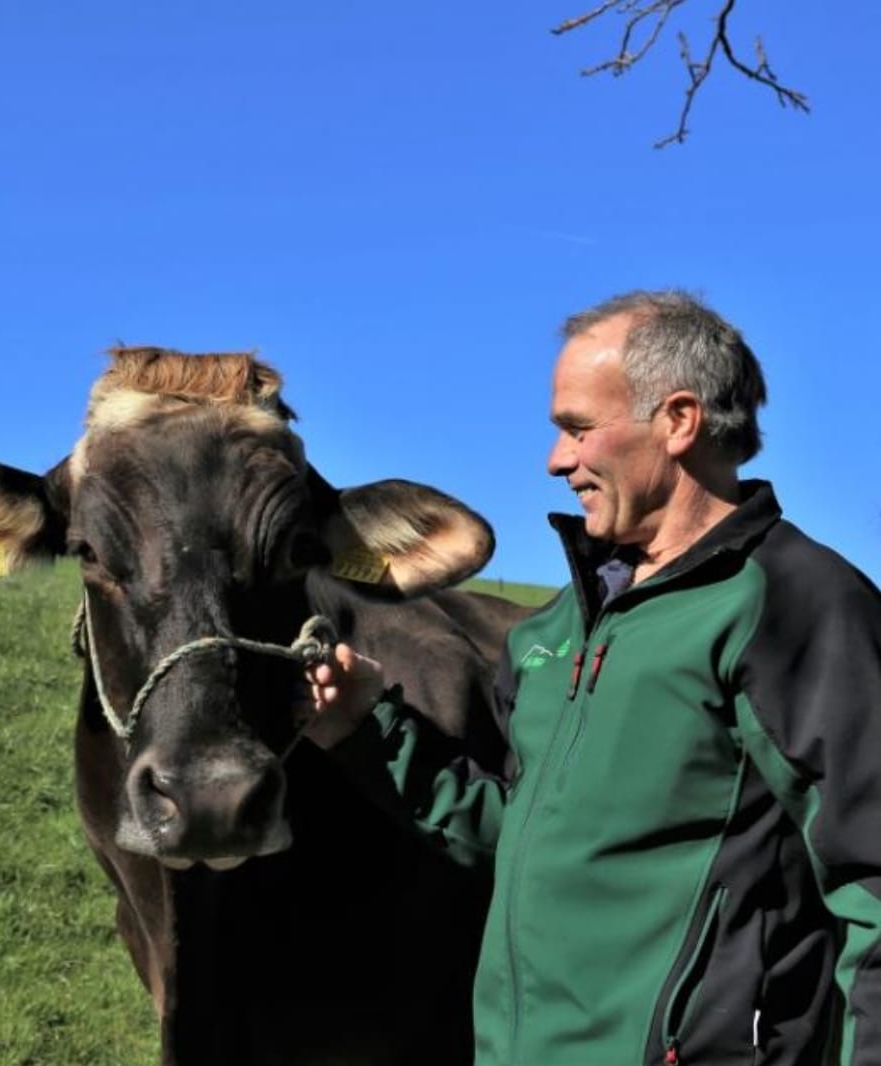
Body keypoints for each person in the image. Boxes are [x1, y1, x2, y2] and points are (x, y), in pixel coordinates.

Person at [305, 290, 881, 1065]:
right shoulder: (552, 633)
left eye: (577, 428)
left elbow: (870, 873)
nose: (555, 460)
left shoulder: (791, 603)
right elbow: (520, 839)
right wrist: (364, 726)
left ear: (678, 421)